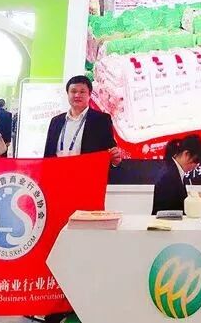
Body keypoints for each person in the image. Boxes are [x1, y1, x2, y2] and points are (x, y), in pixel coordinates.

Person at [42, 75, 121, 323]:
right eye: (73, 91)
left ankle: (79, 301)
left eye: (82, 92)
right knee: (56, 242)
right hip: (58, 189)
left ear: (89, 95)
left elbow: (110, 154)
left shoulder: (101, 120)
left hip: (85, 189)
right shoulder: (56, 122)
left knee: (85, 242)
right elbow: (47, 156)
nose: (77, 95)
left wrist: (115, 158)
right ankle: (55, 302)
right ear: (68, 94)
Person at [152, 135, 201, 215]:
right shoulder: (169, 175)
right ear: (186, 154)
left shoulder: (175, 171)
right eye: (196, 161)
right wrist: (196, 202)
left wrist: (195, 199)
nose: (195, 167)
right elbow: (171, 211)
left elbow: (177, 201)